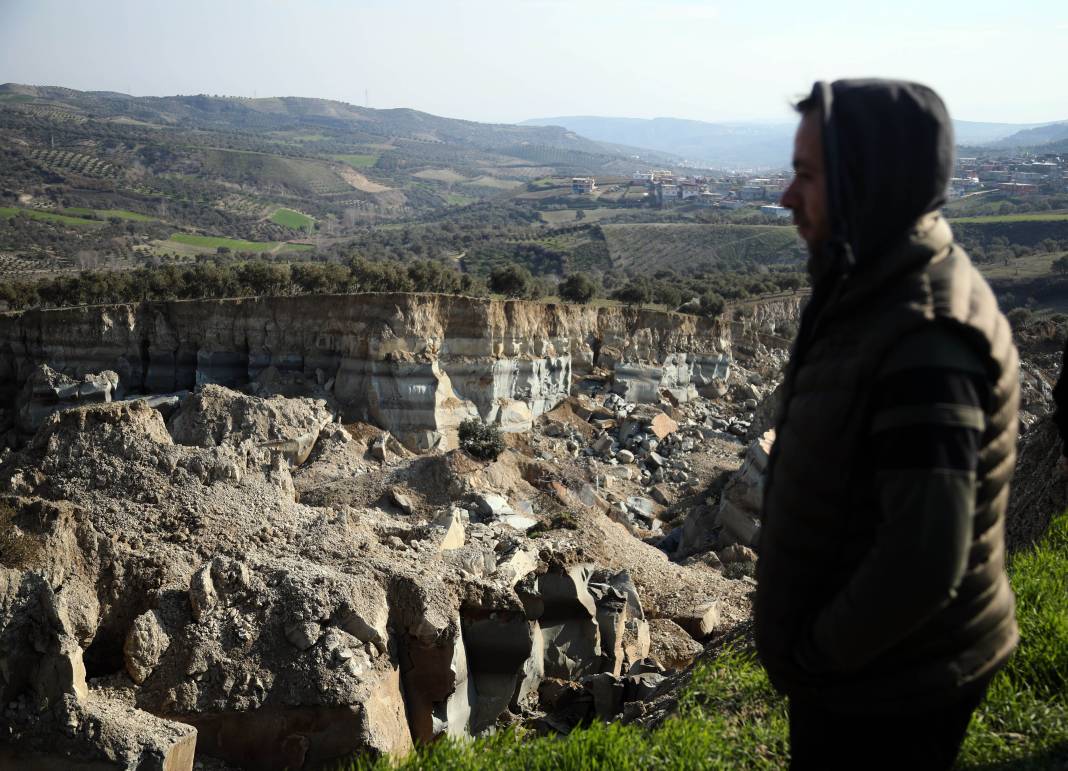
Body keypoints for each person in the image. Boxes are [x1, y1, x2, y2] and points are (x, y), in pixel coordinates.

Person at [754, 79, 1021, 771]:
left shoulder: (925, 337)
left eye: (807, 176)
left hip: (888, 689)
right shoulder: (875, 284)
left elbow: (925, 556)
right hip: (875, 674)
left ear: (863, 183)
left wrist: (817, 657)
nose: (787, 197)